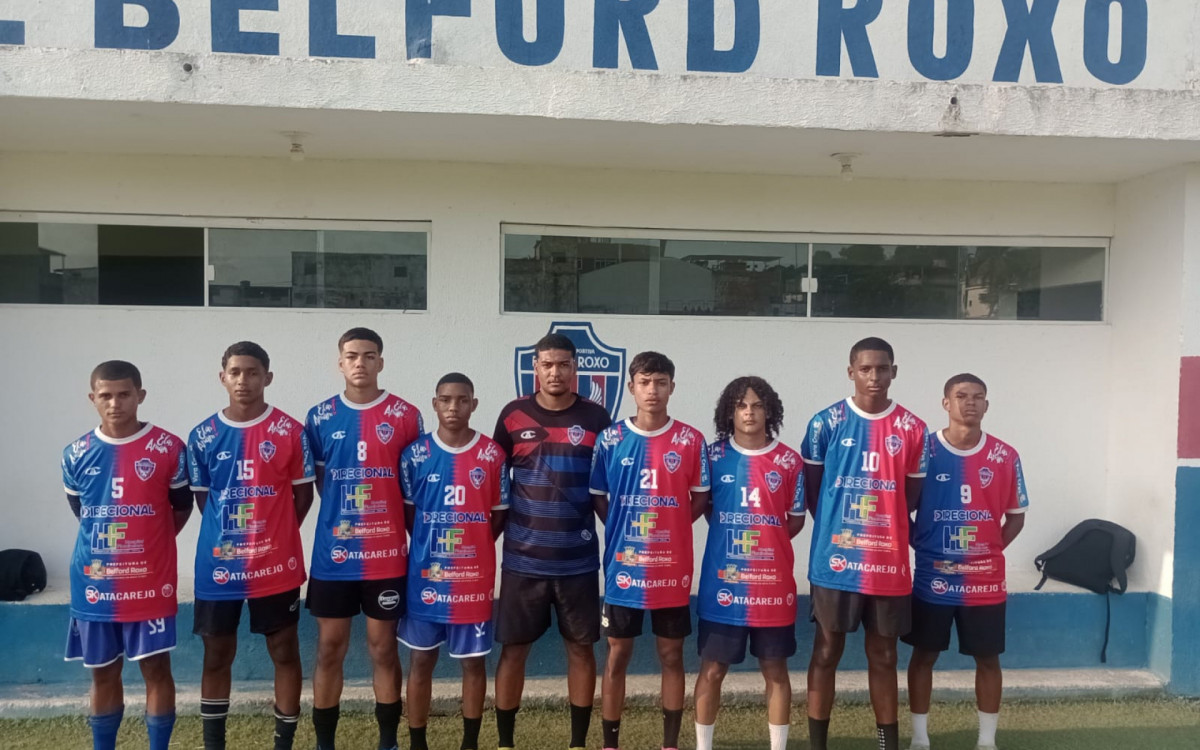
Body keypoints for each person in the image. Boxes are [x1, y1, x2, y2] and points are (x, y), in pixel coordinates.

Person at [801, 337, 928, 750]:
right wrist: (841, 532)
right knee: (826, 652)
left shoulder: (913, 428)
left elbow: (911, 497)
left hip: (888, 564)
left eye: (883, 368)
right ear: (851, 371)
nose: (875, 377)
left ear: (894, 371)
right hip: (835, 562)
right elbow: (815, 493)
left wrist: (883, 529)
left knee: (885, 656)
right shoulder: (825, 423)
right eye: (866, 369)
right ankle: (817, 743)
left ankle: (886, 744)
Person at [187, 341, 315, 750]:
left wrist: (271, 538)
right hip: (219, 567)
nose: (244, 380)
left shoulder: (291, 432)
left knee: (283, 650)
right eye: (236, 372)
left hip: (274, 566)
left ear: (268, 378)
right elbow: (205, 500)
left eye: (253, 372)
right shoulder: (203, 435)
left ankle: (284, 744)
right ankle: (214, 745)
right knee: (217, 654)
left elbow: (303, 497)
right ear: (222, 376)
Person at [61, 360, 191, 750]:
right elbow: (83, 512)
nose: (115, 403)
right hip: (94, 583)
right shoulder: (75, 453)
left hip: (149, 582)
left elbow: (181, 507)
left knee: (156, 668)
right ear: (92, 399)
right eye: (105, 396)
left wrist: (150, 543)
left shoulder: (168, 448)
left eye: (123, 394)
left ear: (140, 396)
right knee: (102, 672)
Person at [304, 327, 423, 750]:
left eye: (369, 356)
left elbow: (412, 485)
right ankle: (324, 743)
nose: (360, 363)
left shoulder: (407, 416)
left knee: (382, 648)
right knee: (329, 649)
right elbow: (320, 482)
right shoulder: (318, 417)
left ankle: (387, 741)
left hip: (387, 555)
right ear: (340, 362)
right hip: (333, 557)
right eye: (352, 355)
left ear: (381, 362)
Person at [491, 333, 612, 750]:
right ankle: (506, 743)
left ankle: (578, 743)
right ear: (535, 369)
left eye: (563, 364)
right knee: (513, 652)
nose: (554, 372)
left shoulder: (598, 419)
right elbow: (493, 482)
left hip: (578, 560)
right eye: (547, 364)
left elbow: (607, 486)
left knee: (580, 652)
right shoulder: (512, 416)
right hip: (523, 560)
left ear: (575, 368)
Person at [590, 351, 710, 750]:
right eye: (644, 382)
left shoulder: (691, 440)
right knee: (618, 655)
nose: (652, 390)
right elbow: (600, 498)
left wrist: (670, 529)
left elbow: (699, 499)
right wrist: (627, 532)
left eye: (660, 382)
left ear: (672, 387)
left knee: (671, 655)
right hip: (625, 566)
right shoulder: (611, 439)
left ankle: (670, 744)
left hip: (671, 568)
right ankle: (610, 744)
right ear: (631, 387)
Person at [904, 374, 1029, 750]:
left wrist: (989, 550)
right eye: (960, 396)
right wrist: (923, 545)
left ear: (987, 405)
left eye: (978, 397)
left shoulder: (1005, 456)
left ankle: (986, 741)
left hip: (985, 581)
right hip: (933, 578)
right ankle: (920, 738)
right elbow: (899, 510)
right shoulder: (922, 451)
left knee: (987, 659)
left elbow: (1016, 517)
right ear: (945, 403)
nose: (969, 403)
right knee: (924, 655)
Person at [397, 373, 509, 750]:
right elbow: (410, 514)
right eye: (445, 399)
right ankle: (417, 743)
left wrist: (472, 546)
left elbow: (497, 516)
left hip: (471, 581)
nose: (453, 407)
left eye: (462, 400)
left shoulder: (492, 455)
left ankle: (470, 744)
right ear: (434, 403)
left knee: (473, 664)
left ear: (473, 404)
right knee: (421, 663)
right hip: (425, 579)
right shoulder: (415, 455)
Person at [693, 376, 805, 750]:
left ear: (769, 410)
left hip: (771, 587)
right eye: (741, 405)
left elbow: (794, 519)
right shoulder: (712, 456)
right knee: (712, 670)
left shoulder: (790, 461)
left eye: (757, 405)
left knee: (775, 670)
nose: (750, 412)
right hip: (722, 585)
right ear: (730, 411)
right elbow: (707, 508)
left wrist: (764, 545)